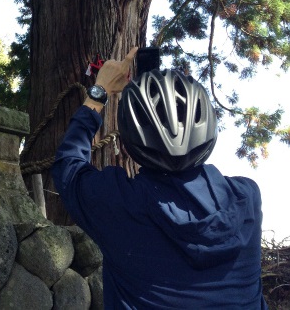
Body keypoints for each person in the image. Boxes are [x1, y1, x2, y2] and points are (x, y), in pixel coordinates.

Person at [51, 48, 268, 309]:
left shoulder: (119, 204)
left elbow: (68, 166)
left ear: (130, 140)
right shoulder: (247, 199)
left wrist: (100, 91)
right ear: (209, 129)